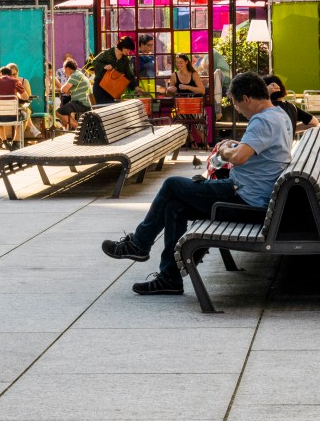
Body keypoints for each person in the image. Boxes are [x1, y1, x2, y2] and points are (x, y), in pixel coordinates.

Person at [101, 72, 292, 295]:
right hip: (256, 198)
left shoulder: (261, 120)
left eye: (237, 105)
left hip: (244, 199)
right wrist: (236, 146)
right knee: (174, 207)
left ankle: (139, 244)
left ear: (247, 99)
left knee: (172, 184)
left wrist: (224, 149)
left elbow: (239, 158)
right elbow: (252, 151)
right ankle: (169, 279)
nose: (239, 111)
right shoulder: (279, 114)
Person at [84, 36, 139, 104]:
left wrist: (136, 87)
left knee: (110, 108)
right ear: (122, 46)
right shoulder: (108, 53)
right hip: (100, 86)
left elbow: (129, 74)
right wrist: (104, 66)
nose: (128, 52)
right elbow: (94, 62)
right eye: (127, 49)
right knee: (101, 108)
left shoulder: (125, 60)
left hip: (112, 89)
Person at [57, 56, 93, 129]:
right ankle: (80, 128)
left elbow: (64, 90)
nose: (64, 72)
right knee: (66, 110)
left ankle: (79, 128)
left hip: (81, 103)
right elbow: (70, 90)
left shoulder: (75, 76)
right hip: (86, 102)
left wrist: (62, 88)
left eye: (64, 70)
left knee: (58, 112)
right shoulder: (79, 74)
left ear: (67, 68)